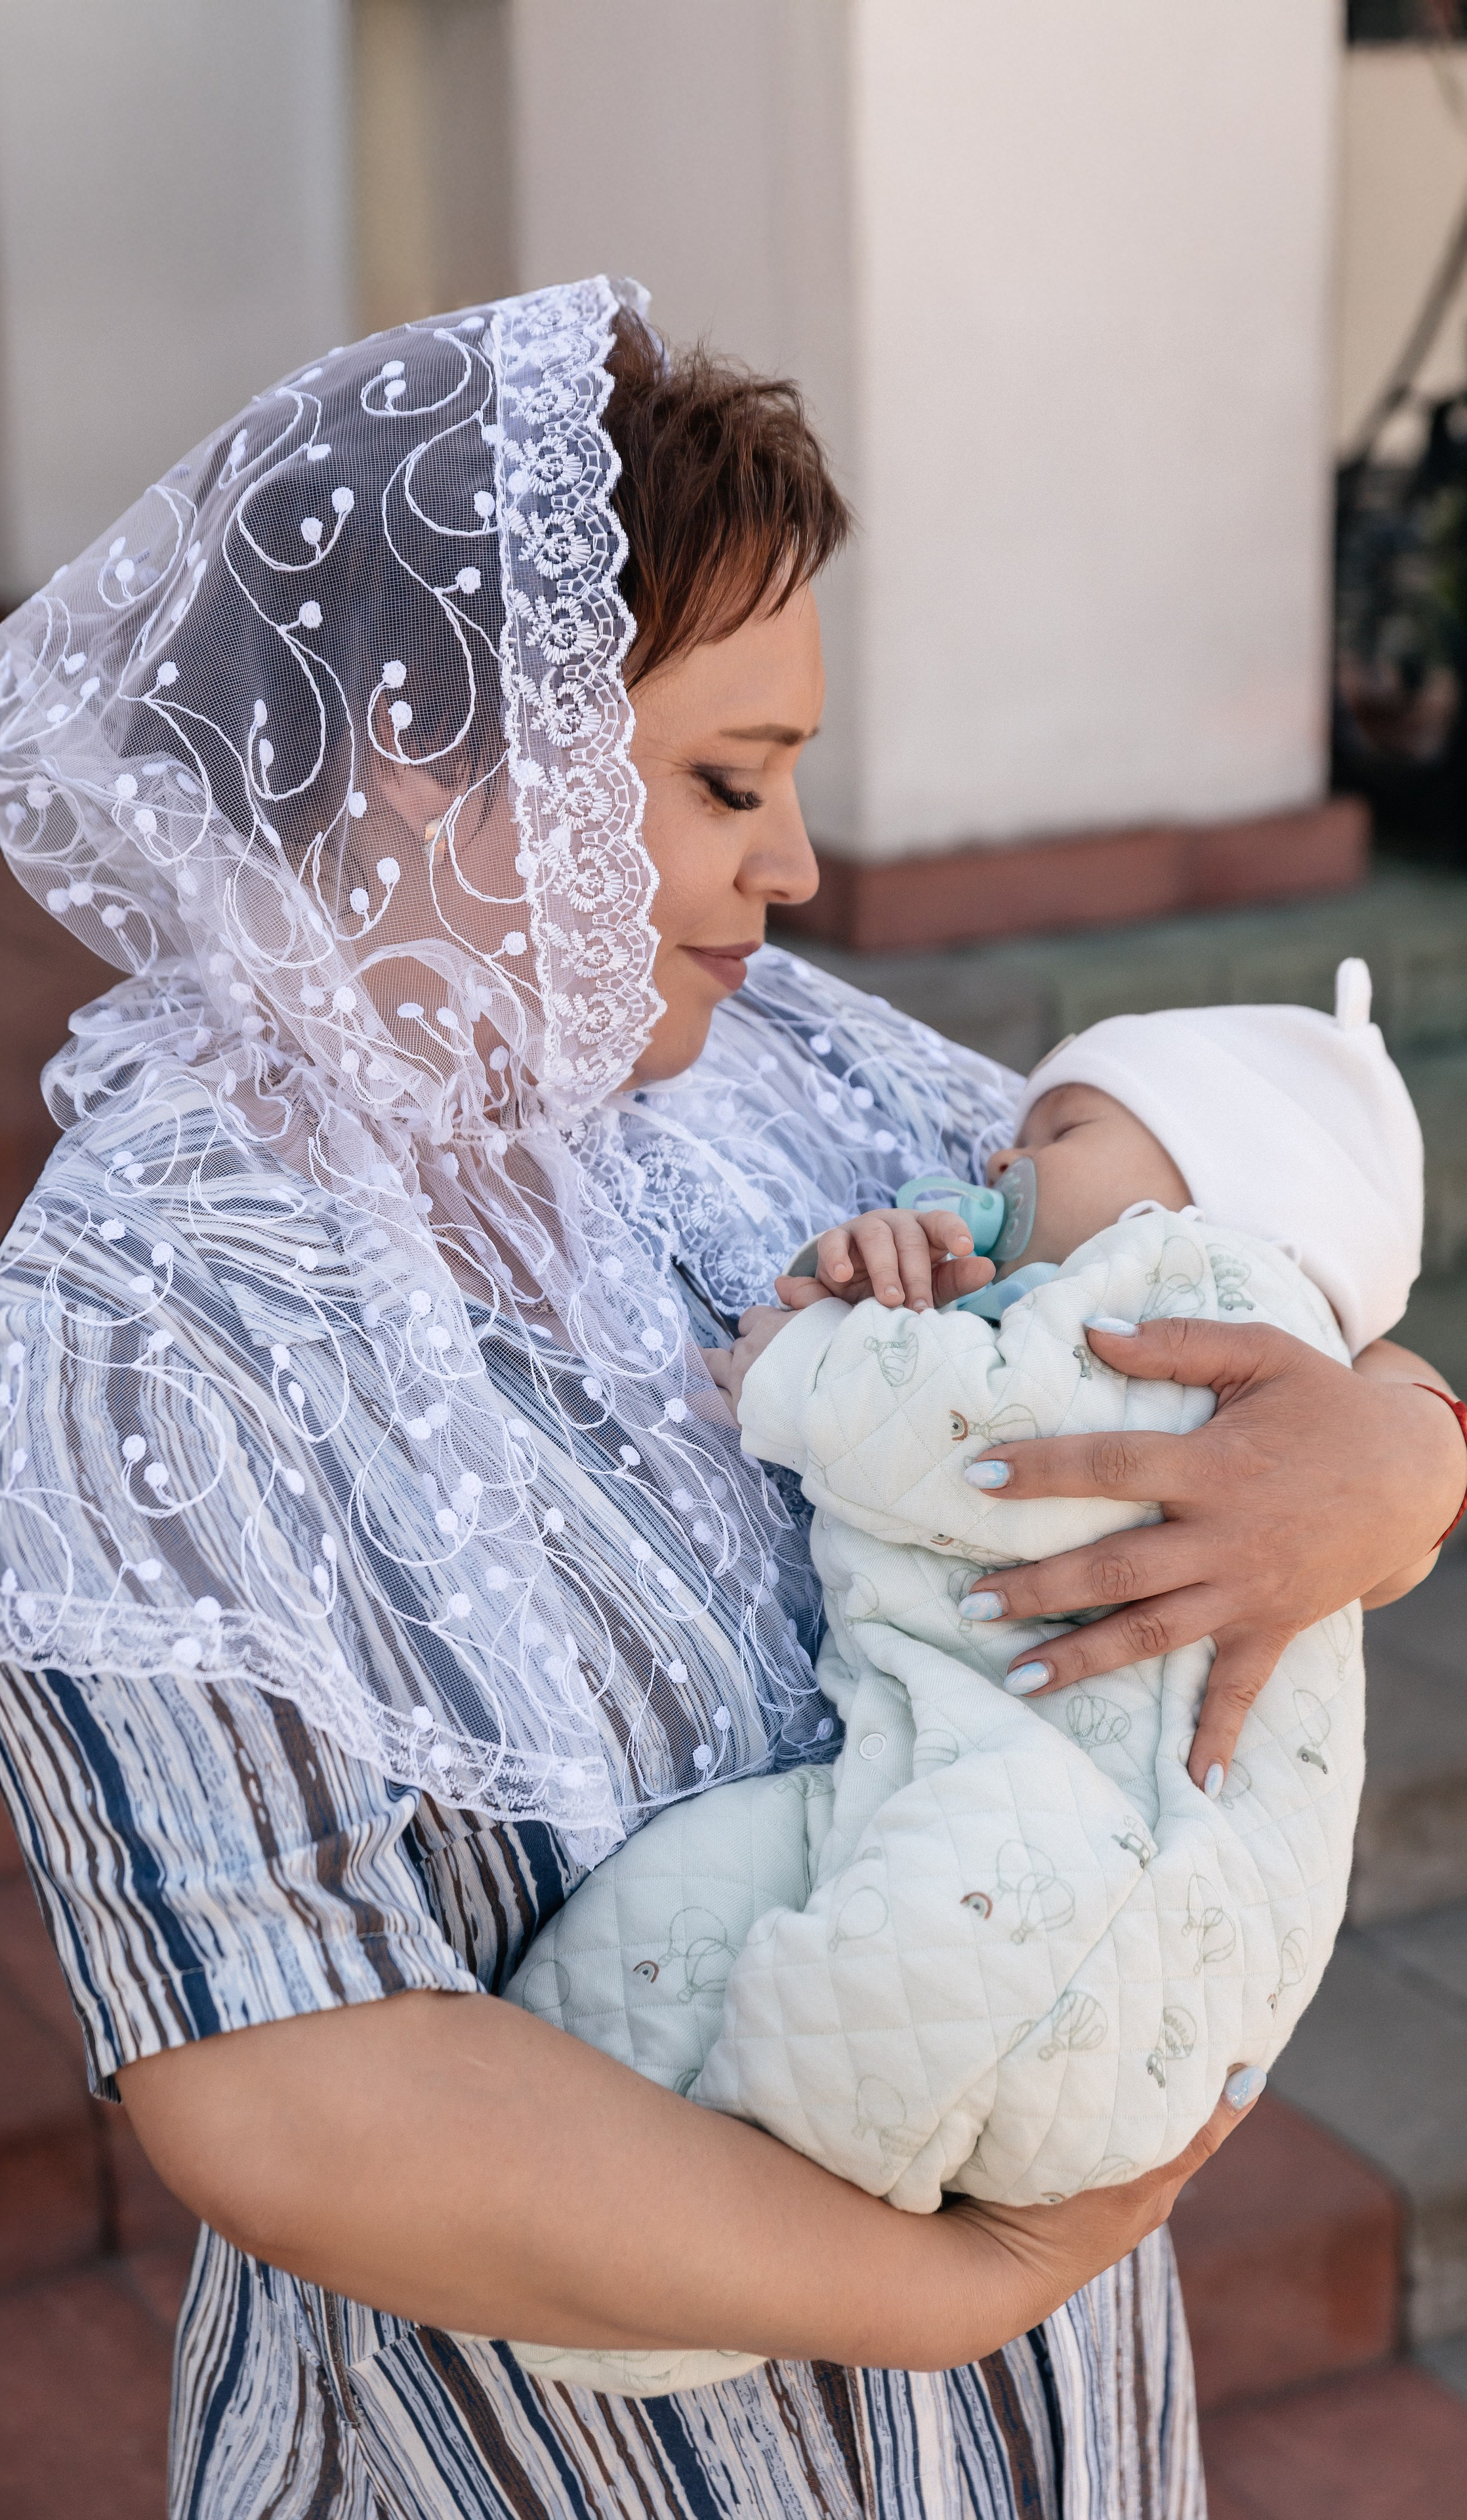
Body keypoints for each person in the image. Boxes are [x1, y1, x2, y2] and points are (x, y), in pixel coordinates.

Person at [0, 281, 1467, 2519]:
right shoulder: (147, 1338)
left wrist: (1395, 1453)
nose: (794, 867)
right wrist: (951, 2287)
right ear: (439, 760)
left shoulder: (782, 1069)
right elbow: (294, 2097)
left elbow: (1232, 1250)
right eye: (728, 783)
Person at [503, 964, 1434, 2399]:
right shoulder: (1081, 1285)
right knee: (703, 1888)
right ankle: (545, 2179)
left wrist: (810, 1368)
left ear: (1211, 1178)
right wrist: (893, 1275)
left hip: (1103, 1888)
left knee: (926, 1928)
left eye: (1057, 1135)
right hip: (946, 1772)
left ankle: (695, 2267)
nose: (1001, 1159)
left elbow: (1008, 1456)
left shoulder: (1205, 1297)